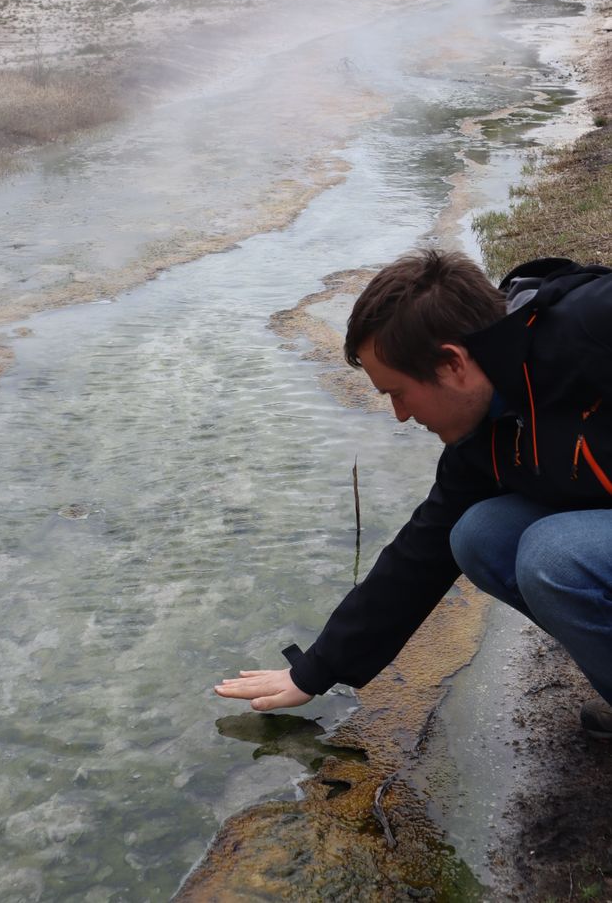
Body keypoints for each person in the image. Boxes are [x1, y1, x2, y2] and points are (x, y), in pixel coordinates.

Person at [215, 249, 612, 738]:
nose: (399, 416)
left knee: (553, 555)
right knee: (477, 535)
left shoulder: (591, 325)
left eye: (397, 393)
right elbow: (417, 557)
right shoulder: (482, 436)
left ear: (452, 363)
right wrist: (313, 670)